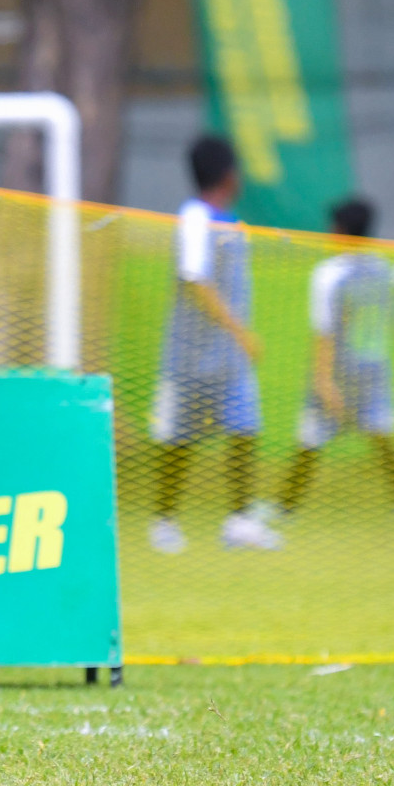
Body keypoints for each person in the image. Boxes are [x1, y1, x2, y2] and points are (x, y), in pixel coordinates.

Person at [148, 135, 279, 554]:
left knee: (245, 430)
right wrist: (240, 331)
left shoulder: (231, 223)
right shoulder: (195, 219)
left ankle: (240, 520)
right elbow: (195, 279)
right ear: (228, 174)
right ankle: (163, 520)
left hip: (228, 360)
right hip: (190, 356)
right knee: (179, 440)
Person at [278, 198, 394, 525]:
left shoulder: (329, 274)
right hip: (373, 371)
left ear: (341, 231)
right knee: (384, 438)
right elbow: (389, 322)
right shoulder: (384, 270)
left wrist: (324, 380)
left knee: (309, 441)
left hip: (338, 373)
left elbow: (324, 330)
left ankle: (285, 508)